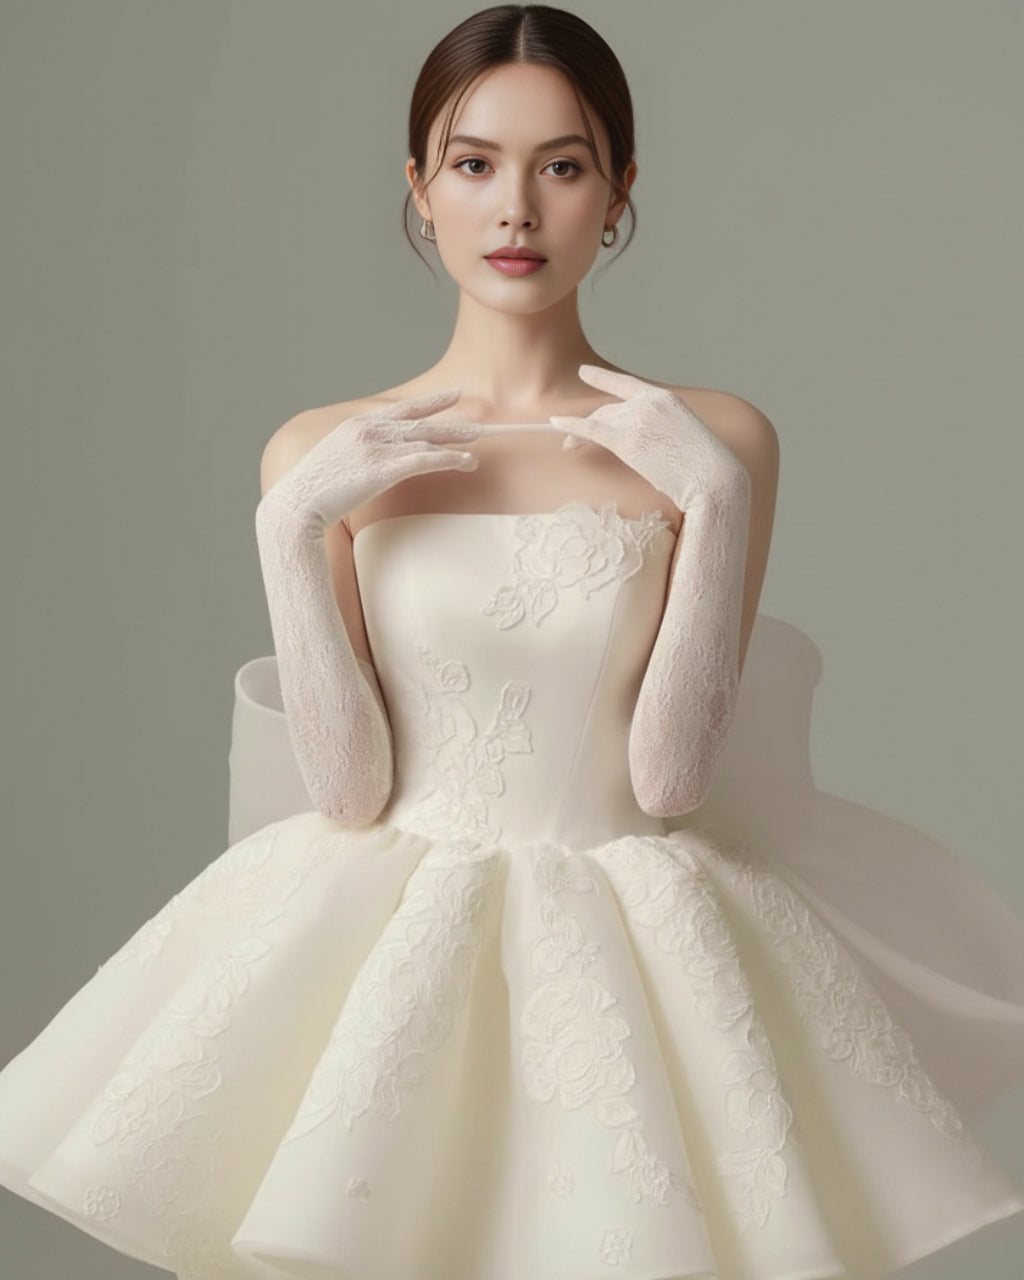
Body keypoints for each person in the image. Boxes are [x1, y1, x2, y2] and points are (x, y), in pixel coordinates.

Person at [1, 5, 1023, 1279]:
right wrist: (291, 527)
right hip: (387, 939)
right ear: (419, 188)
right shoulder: (321, 450)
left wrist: (712, 500)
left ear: (620, 189)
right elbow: (349, 790)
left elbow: (669, 780)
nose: (516, 210)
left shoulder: (715, 442)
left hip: (635, 939)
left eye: (563, 165)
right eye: (474, 164)